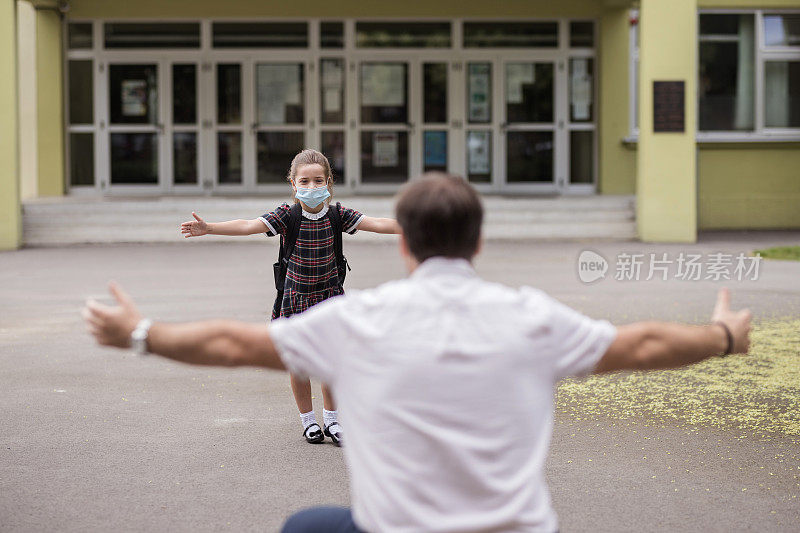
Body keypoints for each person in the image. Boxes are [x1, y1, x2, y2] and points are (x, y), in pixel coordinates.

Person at [85, 173, 751, 533]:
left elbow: (234, 343)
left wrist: (140, 333)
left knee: (303, 524)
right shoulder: (531, 316)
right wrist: (724, 336)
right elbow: (645, 341)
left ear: (404, 244)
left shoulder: (358, 319)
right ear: (479, 242)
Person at [179, 149, 400, 447]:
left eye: (318, 180)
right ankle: (308, 421)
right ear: (293, 184)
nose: (311, 187)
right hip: (295, 299)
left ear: (329, 183)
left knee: (332, 362)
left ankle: (332, 420)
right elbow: (248, 225)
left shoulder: (338, 214)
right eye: (304, 181)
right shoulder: (287, 215)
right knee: (299, 364)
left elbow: (378, 224)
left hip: (330, 298)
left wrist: (414, 226)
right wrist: (209, 228)